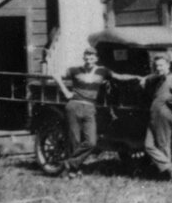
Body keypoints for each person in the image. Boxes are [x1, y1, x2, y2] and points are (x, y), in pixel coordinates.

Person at [53, 46, 140, 178]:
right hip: (74, 106)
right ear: (83, 57)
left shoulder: (102, 71)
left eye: (92, 56)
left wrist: (138, 77)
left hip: (89, 108)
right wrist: (65, 91)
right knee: (74, 141)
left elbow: (120, 77)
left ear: (96, 58)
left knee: (91, 142)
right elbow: (56, 75)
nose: (89, 59)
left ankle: (68, 164)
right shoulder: (74, 70)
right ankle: (73, 171)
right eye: (87, 56)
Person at [141, 55, 172, 181]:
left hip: (164, 116)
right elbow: (151, 78)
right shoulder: (160, 79)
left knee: (163, 144)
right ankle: (170, 167)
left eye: (161, 65)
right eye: (156, 66)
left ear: (168, 65)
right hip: (154, 116)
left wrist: (168, 101)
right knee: (148, 145)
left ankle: (170, 177)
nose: (159, 68)